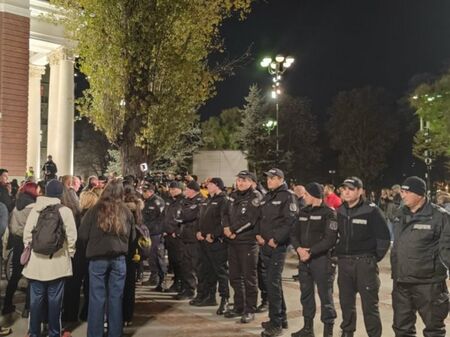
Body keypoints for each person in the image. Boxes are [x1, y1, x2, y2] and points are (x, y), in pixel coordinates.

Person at [391, 176, 450, 337]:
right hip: (402, 283)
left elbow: (447, 248)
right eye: (402, 192)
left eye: (407, 192)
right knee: (402, 329)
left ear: (420, 194)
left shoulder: (440, 216)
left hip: (429, 285)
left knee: (434, 330)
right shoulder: (400, 213)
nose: (403, 195)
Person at [78, 179, 135, 337]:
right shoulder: (126, 211)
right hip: (119, 258)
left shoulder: (95, 209)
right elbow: (132, 237)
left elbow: (82, 234)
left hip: (97, 258)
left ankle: (95, 333)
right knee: (116, 298)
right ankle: (115, 333)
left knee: (96, 297)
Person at [335, 177, 390, 337]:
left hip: (364, 264)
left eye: (351, 189)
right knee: (346, 303)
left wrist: (372, 258)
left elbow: (384, 238)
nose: (346, 191)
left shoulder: (372, 210)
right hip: (344, 264)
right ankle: (347, 332)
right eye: (344, 188)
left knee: (369, 306)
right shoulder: (339, 210)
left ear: (360, 191)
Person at [22, 179, 77, 337]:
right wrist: (70, 253)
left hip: (36, 264)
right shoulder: (64, 211)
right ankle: (54, 332)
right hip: (57, 263)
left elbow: (27, 234)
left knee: (35, 300)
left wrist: (30, 248)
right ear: (60, 193)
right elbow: (72, 236)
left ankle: (34, 332)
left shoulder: (36, 209)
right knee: (55, 301)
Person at [290, 182, 338, 337]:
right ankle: (307, 329)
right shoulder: (302, 212)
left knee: (326, 297)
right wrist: (298, 249)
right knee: (306, 295)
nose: (304, 198)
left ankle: (327, 332)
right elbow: (293, 234)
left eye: (307, 195)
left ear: (316, 196)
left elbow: (329, 239)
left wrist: (310, 251)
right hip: (304, 261)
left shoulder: (329, 213)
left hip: (322, 260)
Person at [256, 168, 298, 337]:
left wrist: (276, 239)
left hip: (277, 247)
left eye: (272, 178)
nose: (269, 181)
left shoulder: (288, 196)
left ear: (281, 179)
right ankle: (282, 317)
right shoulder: (268, 196)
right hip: (264, 245)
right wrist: (258, 234)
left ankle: (276, 324)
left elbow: (291, 221)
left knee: (272, 284)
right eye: (268, 178)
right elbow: (260, 218)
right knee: (273, 284)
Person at [224, 170, 262, 323]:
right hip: (232, 242)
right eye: (239, 180)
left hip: (247, 243)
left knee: (249, 278)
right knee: (234, 276)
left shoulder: (255, 197)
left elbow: (250, 220)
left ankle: (250, 309)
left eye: (244, 180)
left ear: (252, 182)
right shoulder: (233, 195)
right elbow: (224, 213)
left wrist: (232, 230)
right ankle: (238, 306)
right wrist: (226, 228)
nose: (240, 183)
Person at [2, 183, 38, 316]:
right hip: (30, 243)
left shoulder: (16, 206)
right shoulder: (34, 208)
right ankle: (28, 309)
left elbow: (11, 225)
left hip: (18, 242)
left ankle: (7, 305)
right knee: (31, 276)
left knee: (15, 275)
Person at [195, 177, 230, 315]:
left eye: (209, 184)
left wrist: (214, 235)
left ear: (217, 185)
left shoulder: (223, 200)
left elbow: (224, 222)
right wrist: (198, 231)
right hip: (204, 241)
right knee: (207, 270)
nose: (206, 186)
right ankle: (210, 297)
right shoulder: (207, 199)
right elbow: (200, 218)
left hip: (216, 242)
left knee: (220, 272)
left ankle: (225, 299)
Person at [176, 180, 205, 300]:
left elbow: (188, 215)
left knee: (197, 266)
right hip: (185, 236)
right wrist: (183, 216)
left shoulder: (200, 201)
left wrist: (183, 216)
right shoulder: (186, 200)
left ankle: (201, 292)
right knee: (186, 265)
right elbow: (179, 215)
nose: (185, 191)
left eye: (187, 189)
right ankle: (189, 290)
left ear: (192, 190)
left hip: (194, 238)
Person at [141, 183, 166, 289]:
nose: (143, 193)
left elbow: (162, 218)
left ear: (151, 192)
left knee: (157, 257)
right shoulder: (147, 201)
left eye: (145, 191)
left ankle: (161, 280)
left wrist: (157, 229)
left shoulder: (157, 201)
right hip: (149, 233)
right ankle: (154, 277)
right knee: (151, 257)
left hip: (156, 233)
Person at [162, 181, 186, 293]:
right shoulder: (170, 201)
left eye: (174, 189)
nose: (172, 191)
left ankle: (180, 283)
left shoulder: (183, 202)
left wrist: (177, 232)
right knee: (173, 261)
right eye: (170, 189)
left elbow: (183, 220)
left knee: (179, 261)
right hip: (169, 236)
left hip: (177, 237)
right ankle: (177, 282)